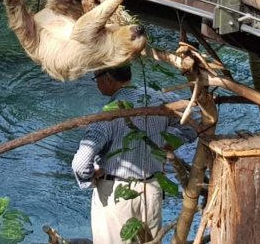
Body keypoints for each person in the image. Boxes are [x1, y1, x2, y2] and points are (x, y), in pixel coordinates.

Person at [71, 64, 197, 244]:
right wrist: (166, 143)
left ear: (108, 78)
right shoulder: (161, 98)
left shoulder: (107, 115)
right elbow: (196, 119)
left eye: (96, 77)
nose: (96, 83)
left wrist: (91, 177)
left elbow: (80, 163)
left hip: (116, 194)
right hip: (153, 189)